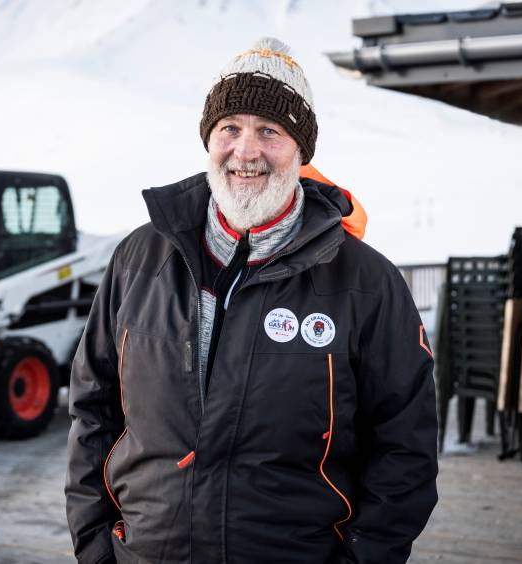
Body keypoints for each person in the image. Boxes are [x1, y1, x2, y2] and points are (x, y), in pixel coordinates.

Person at [65, 37, 437, 564]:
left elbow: (405, 446)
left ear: (300, 151)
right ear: (208, 139)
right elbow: (92, 407)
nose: (247, 151)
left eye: (270, 131)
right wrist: (97, 546)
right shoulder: (139, 260)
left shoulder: (365, 282)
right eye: (230, 129)